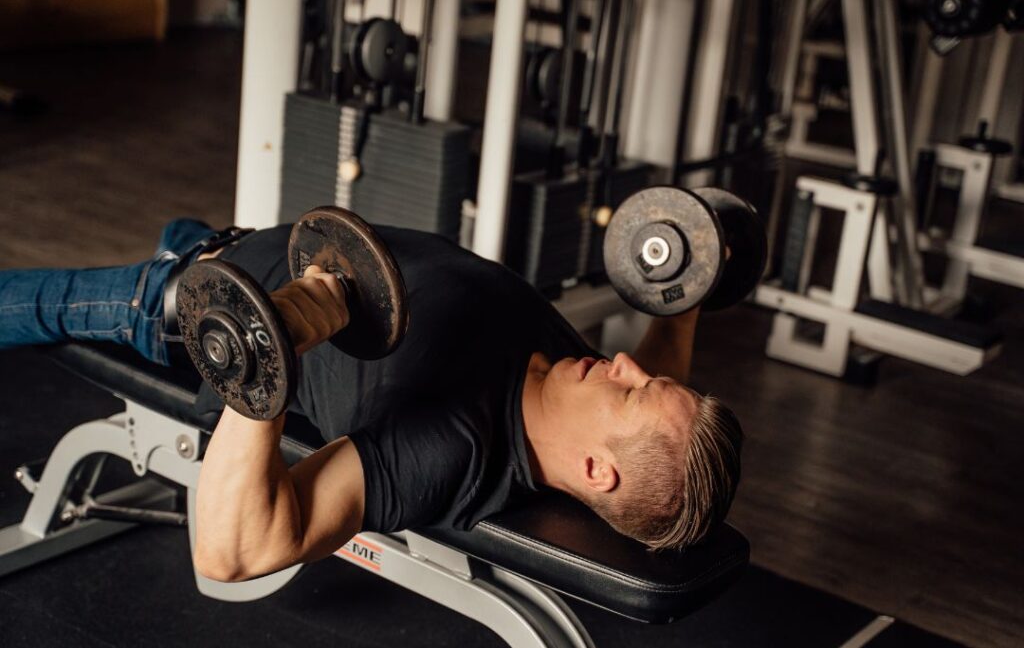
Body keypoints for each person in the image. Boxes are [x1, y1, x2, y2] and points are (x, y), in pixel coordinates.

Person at [0, 217, 743, 582]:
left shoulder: (450, 447)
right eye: (641, 376)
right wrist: (689, 283)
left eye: (632, 392)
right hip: (236, 243)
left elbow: (232, 552)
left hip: (171, 304)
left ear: (595, 471)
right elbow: (659, 370)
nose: (620, 362)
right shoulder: (577, 387)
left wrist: (270, 349)